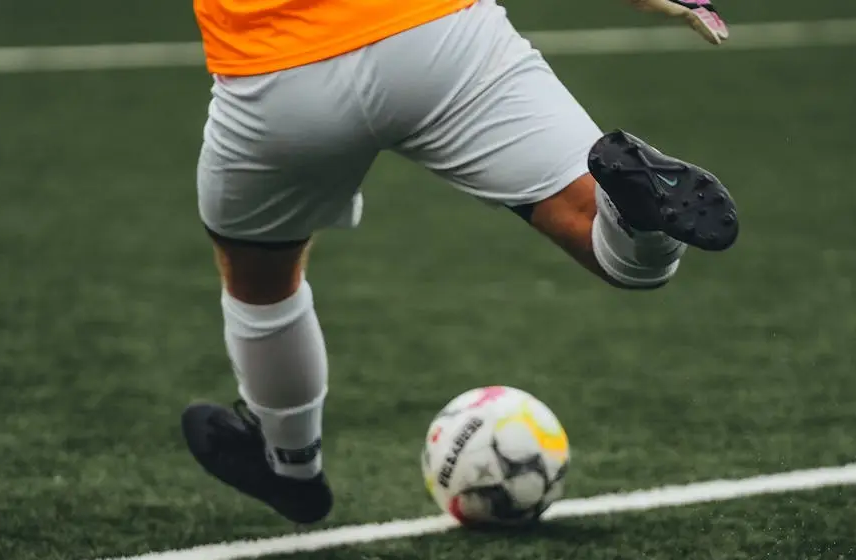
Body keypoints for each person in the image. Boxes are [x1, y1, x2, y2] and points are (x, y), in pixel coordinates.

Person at [180, 0, 738, 524]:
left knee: (260, 277)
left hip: (281, 73)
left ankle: (290, 465)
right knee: (618, 251)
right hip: (442, 39)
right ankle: (635, 214)